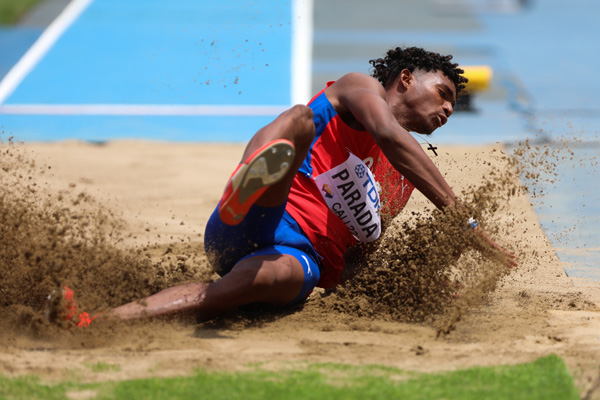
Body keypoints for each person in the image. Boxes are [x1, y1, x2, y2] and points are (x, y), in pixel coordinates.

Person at [69, 46, 517, 325]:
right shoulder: (360, 89)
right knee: (301, 120)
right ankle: (247, 182)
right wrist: (467, 226)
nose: (448, 109)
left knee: (258, 282)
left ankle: (94, 322)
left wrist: (410, 291)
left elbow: (359, 259)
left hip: (297, 259)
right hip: (260, 215)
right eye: (444, 93)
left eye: (454, 105)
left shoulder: (399, 182)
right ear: (405, 80)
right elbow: (387, 135)